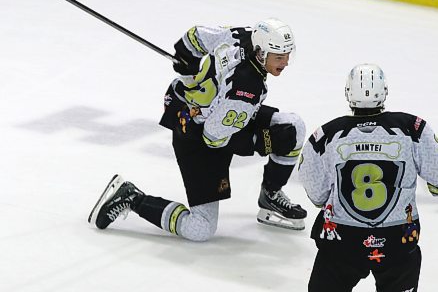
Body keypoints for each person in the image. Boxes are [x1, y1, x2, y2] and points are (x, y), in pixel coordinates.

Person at [88, 18, 307, 241]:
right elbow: (213, 139)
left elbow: (196, 36)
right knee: (201, 229)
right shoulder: (246, 89)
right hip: (194, 136)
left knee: (293, 127)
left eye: (288, 54)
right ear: (260, 52)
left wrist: (186, 57)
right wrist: (262, 143)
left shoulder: (243, 35)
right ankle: (131, 197)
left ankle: (270, 196)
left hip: (208, 110)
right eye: (279, 56)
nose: (286, 62)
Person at [298, 64, 438, 292]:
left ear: (348, 92)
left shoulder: (326, 135)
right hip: (398, 240)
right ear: (385, 91)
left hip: (342, 241)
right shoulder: (412, 128)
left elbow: (317, 194)